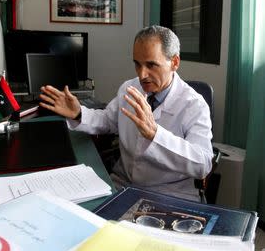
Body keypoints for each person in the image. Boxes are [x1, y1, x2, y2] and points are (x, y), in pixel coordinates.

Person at [39, 25, 213, 201]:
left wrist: (155, 134)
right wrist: (78, 113)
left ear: (174, 62)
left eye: (151, 65)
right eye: (137, 64)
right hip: (124, 184)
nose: (142, 74)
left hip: (168, 192)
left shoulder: (194, 105)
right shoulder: (129, 88)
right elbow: (107, 120)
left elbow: (203, 164)